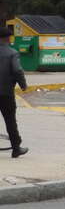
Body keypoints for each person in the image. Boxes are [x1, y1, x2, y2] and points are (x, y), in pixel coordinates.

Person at [0, 27, 28, 157]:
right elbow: (17, 70)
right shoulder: (12, 53)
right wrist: (23, 85)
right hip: (6, 93)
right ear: (7, 38)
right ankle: (16, 148)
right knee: (10, 120)